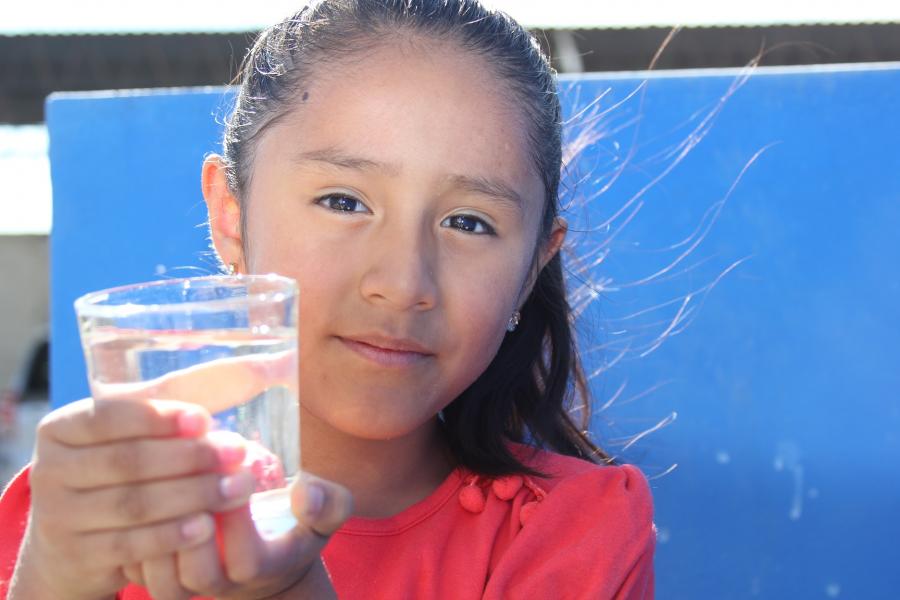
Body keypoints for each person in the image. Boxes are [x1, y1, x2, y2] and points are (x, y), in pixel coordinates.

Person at [0, 1, 655, 598]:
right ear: (231, 216)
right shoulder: (75, 516)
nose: (401, 282)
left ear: (533, 266)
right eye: (343, 202)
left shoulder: (575, 535)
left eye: (469, 223)